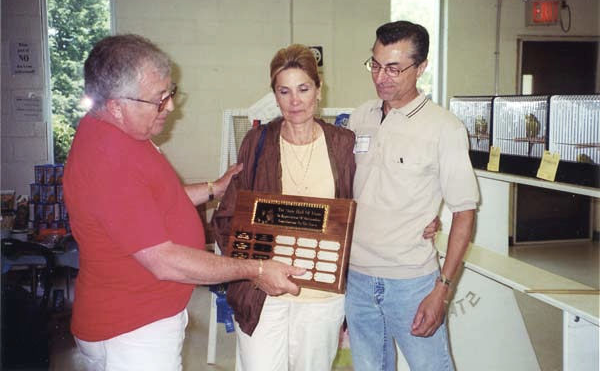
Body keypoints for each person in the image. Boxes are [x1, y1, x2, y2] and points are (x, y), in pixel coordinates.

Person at [63, 34, 305, 371]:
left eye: (169, 93)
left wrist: (213, 188)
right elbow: (165, 261)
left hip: (141, 320)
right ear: (116, 105)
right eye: (158, 99)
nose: (171, 106)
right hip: (131, 331)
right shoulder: (109, 161)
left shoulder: (123, 133)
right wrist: (256, 269)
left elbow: (156, 202)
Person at [211, 44, 356, 371]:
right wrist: (254, 271)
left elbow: (362, 212)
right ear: (274, 95)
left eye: (304, 89)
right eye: (284, 91)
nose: (295, 101)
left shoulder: (343, 145)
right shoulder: (257, 142)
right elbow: (228, 217)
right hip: (264, 293)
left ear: (319, 91)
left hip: (321, 298)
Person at [345, 20, 479, 370]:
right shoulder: (360, 117)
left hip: (411, 282)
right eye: (375, 64)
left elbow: (464, 212)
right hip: (357, 278)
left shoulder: (444, 128)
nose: (380, 77)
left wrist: (442, 289)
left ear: (421, 67)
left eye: (394, 68)